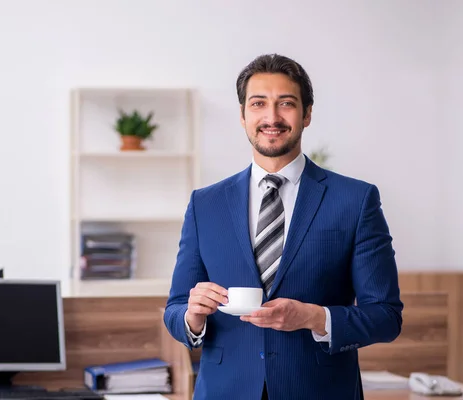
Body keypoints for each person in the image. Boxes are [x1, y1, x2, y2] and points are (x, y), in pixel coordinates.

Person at [163, 54, 403, 400]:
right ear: (243, 116)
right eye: (258, 104)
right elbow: (175, 309)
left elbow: (386, 315)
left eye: (286, 104)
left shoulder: (355, 200)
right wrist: (192, 317)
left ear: (306, 114)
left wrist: (314, 317)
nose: (271, 117)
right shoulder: (205, 204)